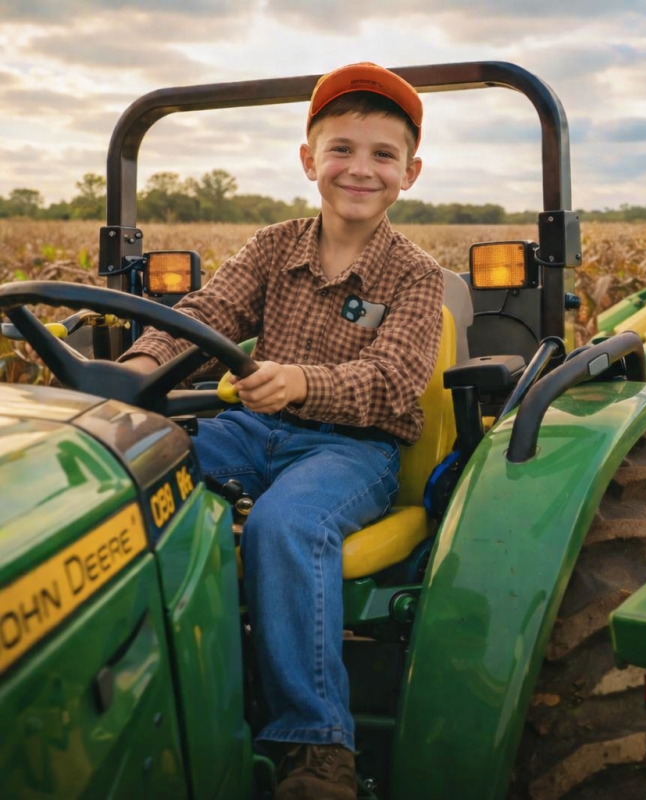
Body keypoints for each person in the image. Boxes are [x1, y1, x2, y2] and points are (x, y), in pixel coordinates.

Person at [120, 63, 444, 799]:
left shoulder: (415, 276)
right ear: (309, 160)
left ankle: (314, 741)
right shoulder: (273, 247)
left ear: (409, 173)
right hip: (250, 430)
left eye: (382, 155)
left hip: (351, 448)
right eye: (341, 150)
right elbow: (203, 317)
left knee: (285, 524)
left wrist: (303, 381)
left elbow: (394, 379)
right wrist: (134, 374)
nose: (359, 169)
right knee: (135, 475)